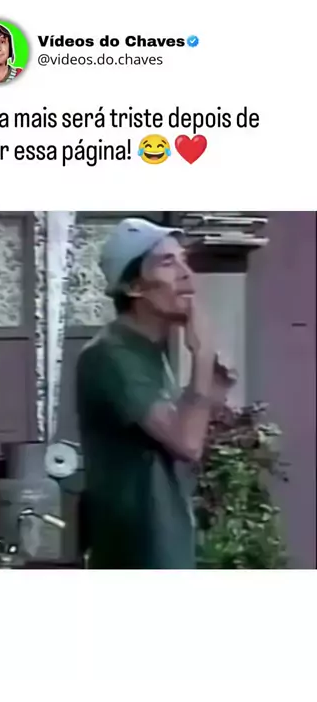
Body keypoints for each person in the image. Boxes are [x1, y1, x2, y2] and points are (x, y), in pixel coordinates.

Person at [76, 217, 235, 569]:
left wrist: (217, 380)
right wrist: (202, 355)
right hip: (139, 553)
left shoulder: (149, 350)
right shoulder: (112, 355)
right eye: (167, 263)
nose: (186, 274)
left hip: (167, 545)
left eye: (184, 260)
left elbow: (187, 434)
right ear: (134, 286)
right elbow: (188, 445)